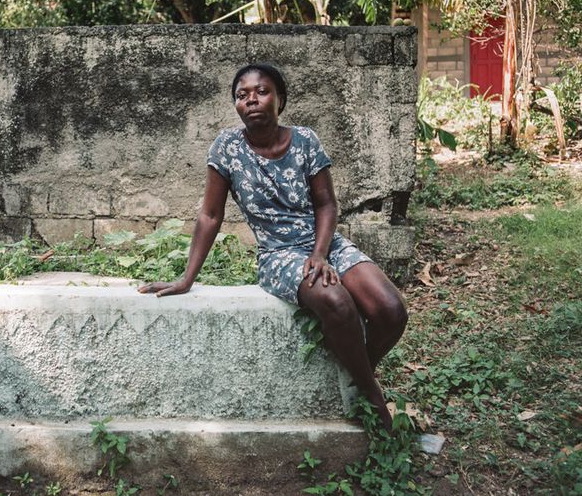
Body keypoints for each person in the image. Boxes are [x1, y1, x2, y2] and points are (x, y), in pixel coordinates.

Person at [138, 63, 408, 429]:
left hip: (324, 243)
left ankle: (357, 376)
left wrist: (319, 253)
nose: (251, 100)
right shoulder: (227, 149)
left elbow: (326, 204)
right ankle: (371, 393)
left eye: (261, 91)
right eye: (242, 94)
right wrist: (186, 279)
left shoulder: (306, 141)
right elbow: (210, 216)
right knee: (336, 301)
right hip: (279, 255)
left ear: (280, 99)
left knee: (391, 310)